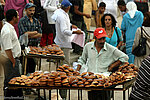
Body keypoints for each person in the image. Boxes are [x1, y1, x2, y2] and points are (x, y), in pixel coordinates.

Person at [77, 28, 129, 100]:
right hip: (91, 80)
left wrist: (113, 65)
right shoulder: (88, 47)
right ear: (95, 38)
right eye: (100, 39)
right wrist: (77, 71)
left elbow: (125, 57)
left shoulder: (110, 48)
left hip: (105, 80)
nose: (102, 41)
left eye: (104, 39)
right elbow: (82, 60)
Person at [52, 0, 83, 99]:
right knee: (64, 70)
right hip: (63, 44)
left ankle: (62, 94)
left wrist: (71, 26)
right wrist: (74, 32)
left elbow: (66, 26)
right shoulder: (61, 16)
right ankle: (63, 95)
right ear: (67, 7)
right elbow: (64, 31)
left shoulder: (62, 13)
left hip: (62, 42)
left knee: (63, 68)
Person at [18, 3, 42, 95]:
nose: (32, 12)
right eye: (30, 10)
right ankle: (25, 87)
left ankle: (31, 85)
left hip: (34, 47)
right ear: (26, 10)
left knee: (32, 68)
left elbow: (40, 34)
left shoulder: (36, 21)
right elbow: (24, 34)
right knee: (25, 67)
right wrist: (34, 33)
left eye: (33, 10)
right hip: (25, 48)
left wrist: (31, 33)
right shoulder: (22, 21)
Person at [0, 9, 23, 100]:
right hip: (10, 60)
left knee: (15, 82)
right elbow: (7, 49)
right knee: (11, 83)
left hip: (12, 59)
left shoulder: (10, 28)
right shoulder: (7, 30)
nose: (18, 17)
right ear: (13, 18)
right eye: (17, 16)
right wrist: (13, 61)